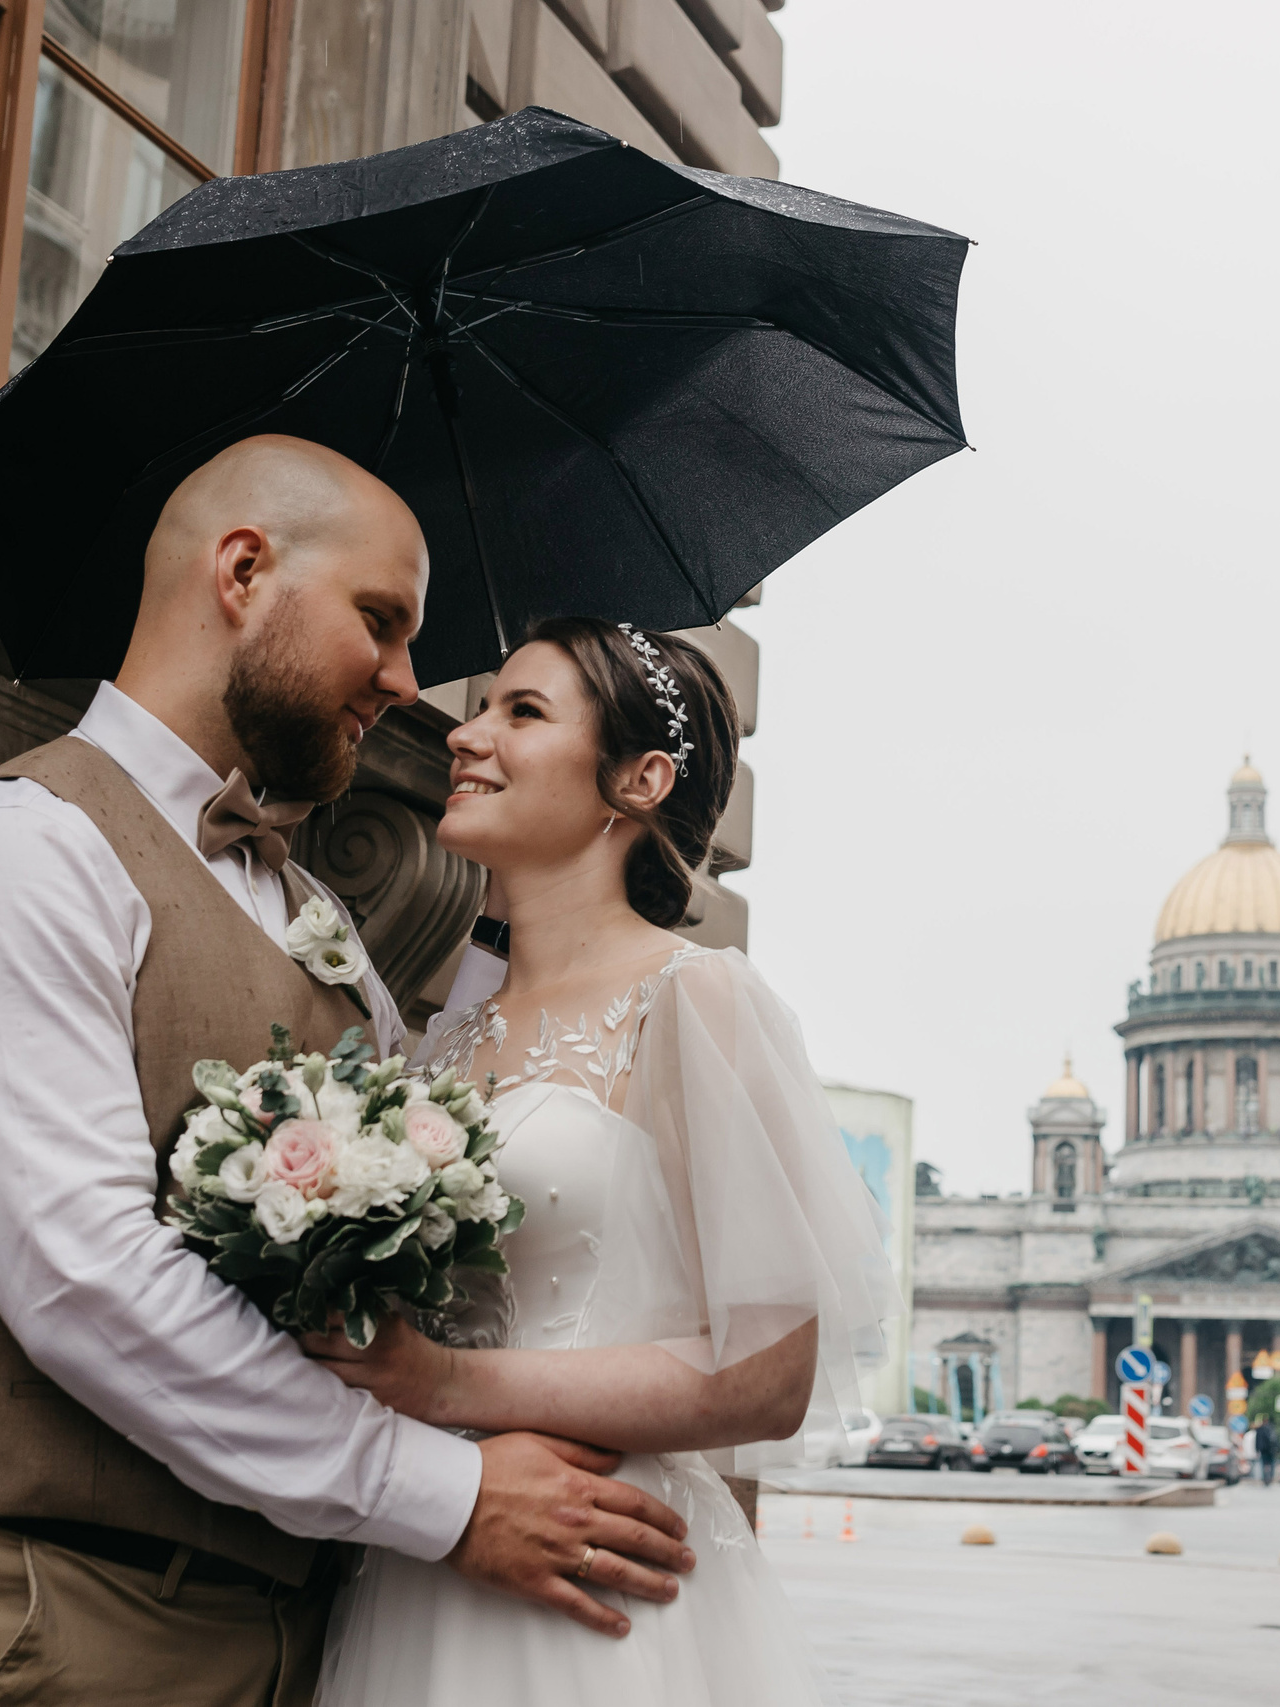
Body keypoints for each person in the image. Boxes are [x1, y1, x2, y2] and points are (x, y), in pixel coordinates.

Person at [0, 438, 694, 1707]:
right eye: (380, 623)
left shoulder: (306, 905)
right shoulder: (17, 849)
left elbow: (462, 1143)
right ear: (241, 571)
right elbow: (84, 1274)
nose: (405, 684)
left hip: (291, 1632)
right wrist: (443, 1497)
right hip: (33, 1620)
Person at [302, 618, 898, 1706]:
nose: (464, 736)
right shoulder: (440, 1040)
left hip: (599, 1563)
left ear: (639, 778)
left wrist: (443, 1382)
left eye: (520, 713)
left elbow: (770, 1374)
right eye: (483, 707)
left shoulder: (696, 996)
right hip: (427, 1554)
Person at [1254, 1416, 1279, 1486]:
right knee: (1271, 1464)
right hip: (1271, 1450)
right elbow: (1276, 1440)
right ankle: (1271, 1477)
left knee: (1263, 1464)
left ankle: (1264, 1477)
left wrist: (1257, 1450)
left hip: (1263, 1450)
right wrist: (1277, 1449)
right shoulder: (1271, 1429)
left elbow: (1257, 1441)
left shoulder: (1259, 1429)